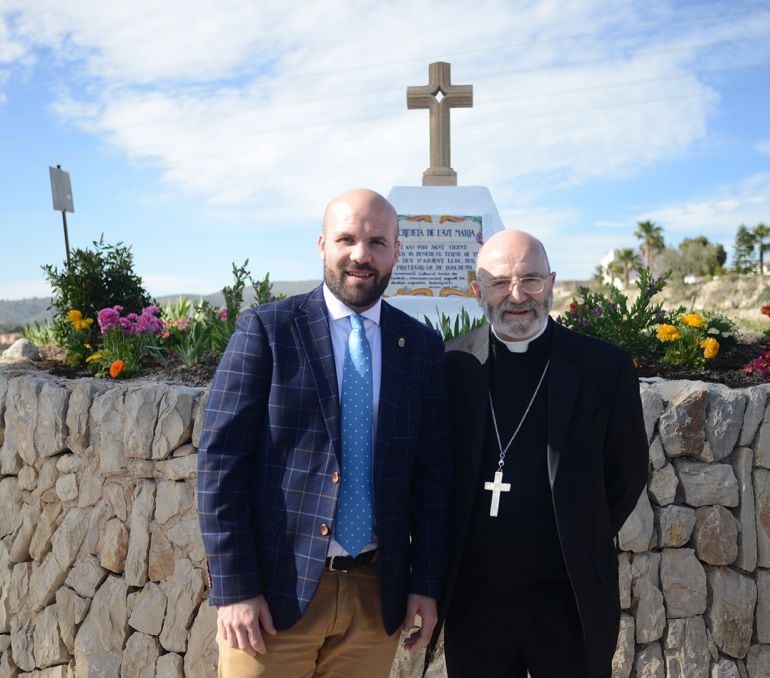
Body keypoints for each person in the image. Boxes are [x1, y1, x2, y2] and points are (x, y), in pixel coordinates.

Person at [197, 188, 453, 677]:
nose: (361, 254)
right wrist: (235, 588)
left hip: (375, 595)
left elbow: (434, 477)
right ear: (321, 245)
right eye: (346, 239)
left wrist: (426, 584)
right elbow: (220, 464)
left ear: (396, 252)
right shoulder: (267, 330)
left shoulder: (420, 347)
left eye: (378, 241)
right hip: (273, 598)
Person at [435, 230, 648, 678]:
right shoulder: (452, 365)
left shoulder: (603, 367)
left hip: (567, 598)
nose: (517, 296)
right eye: (499, 282)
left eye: (530, 279)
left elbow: (627, 472)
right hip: (475, 604)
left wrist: (580, 532)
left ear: (551, 283)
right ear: (478, 292)